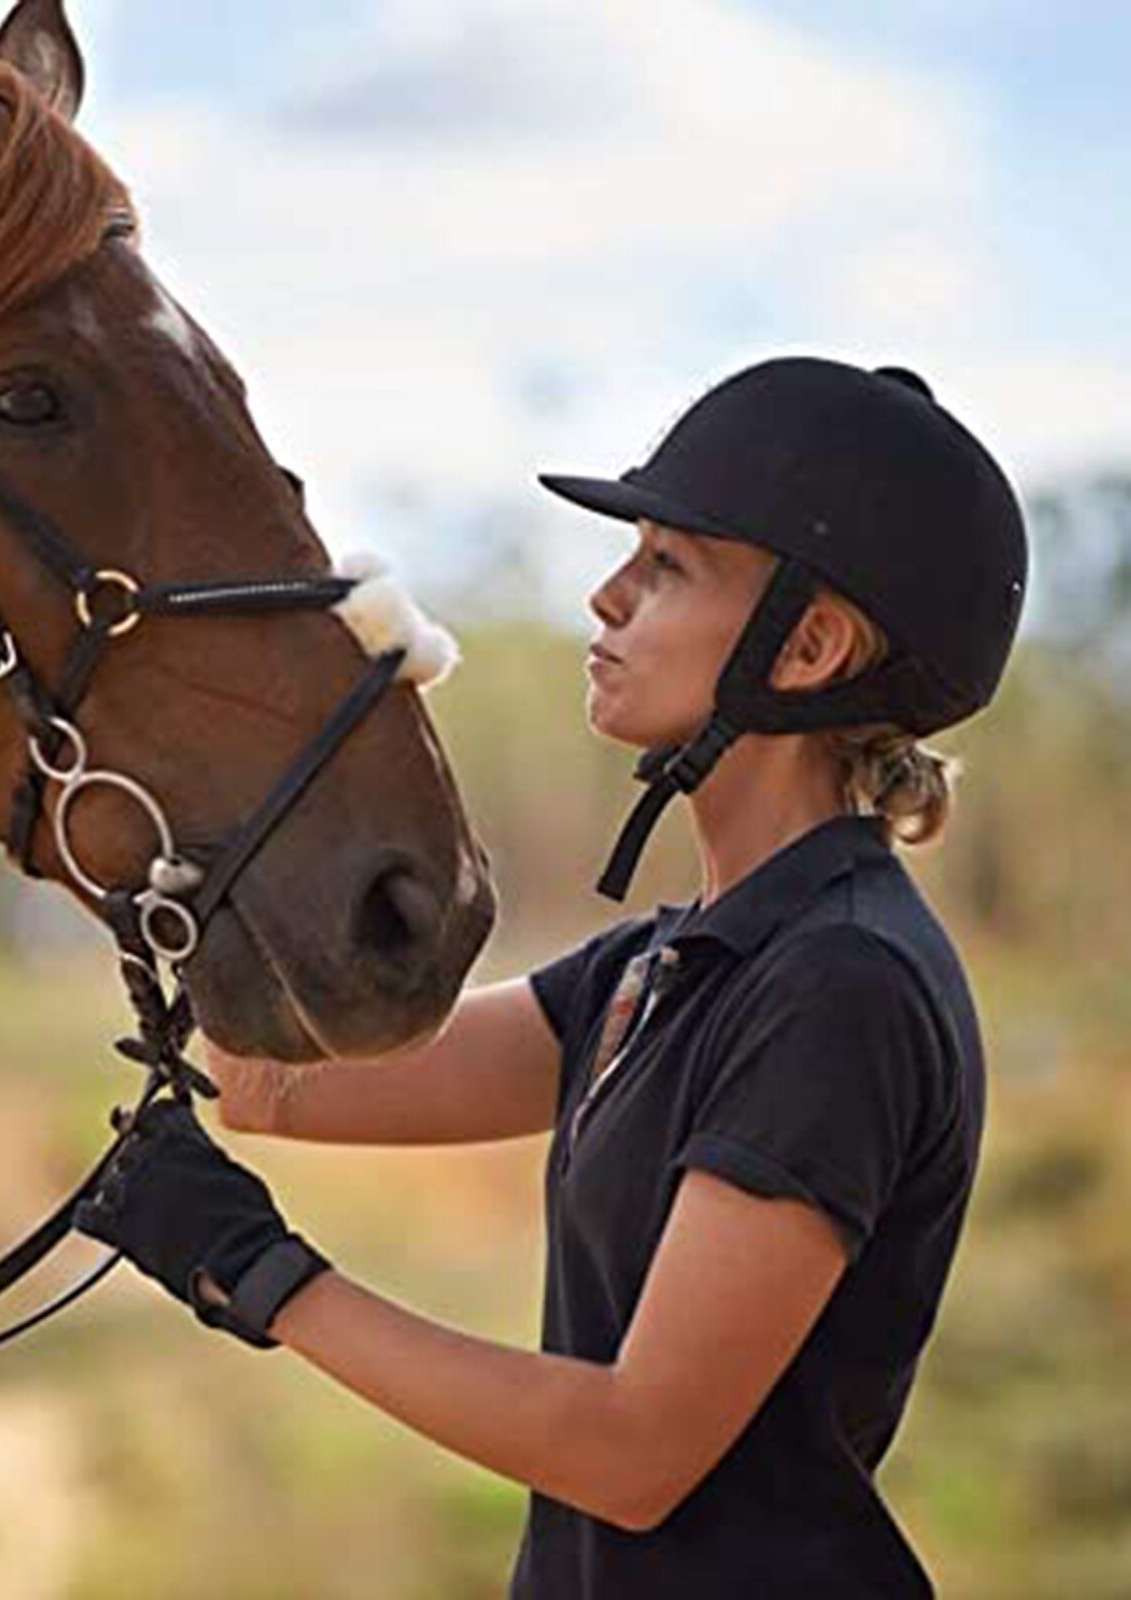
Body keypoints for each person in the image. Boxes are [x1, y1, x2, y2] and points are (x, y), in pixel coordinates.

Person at [77, 355, 1029, 1597]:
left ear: (806, 646)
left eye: (666, 567)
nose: (604, 595)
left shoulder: (838, 983)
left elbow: (636, 1451)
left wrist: (267, 1279)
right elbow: (270, 1087)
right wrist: (222, 762)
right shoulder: (664, 966)